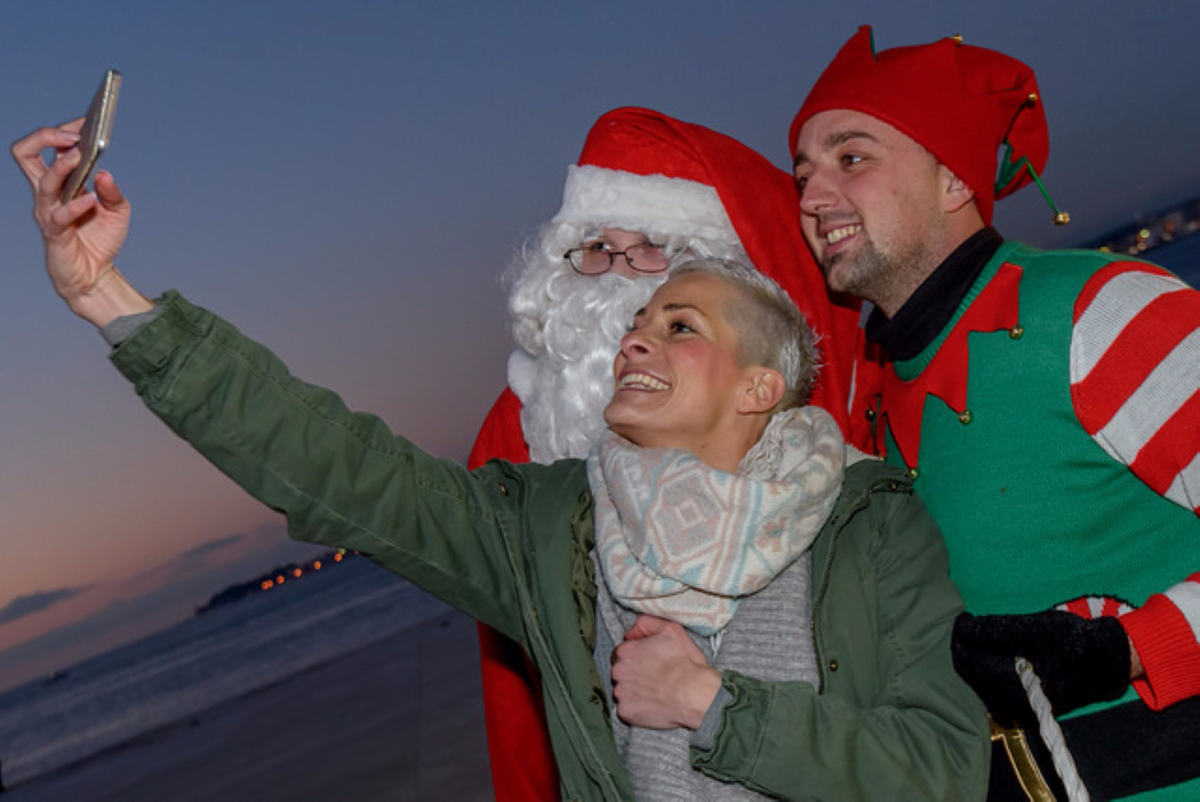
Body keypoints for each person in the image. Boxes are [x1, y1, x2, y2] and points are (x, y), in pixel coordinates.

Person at [14, 123, 987, 800]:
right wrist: (107, 298)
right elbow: (330, 461)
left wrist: (711, 708)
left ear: (759, 385)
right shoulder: (546, 531)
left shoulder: (871, 523)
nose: (632, 331)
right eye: (609, 277)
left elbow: (944, 771)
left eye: (677, 320)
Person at [788, 26, 1200, 800]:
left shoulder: (1099, 310)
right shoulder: (871, 399)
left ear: (952, 179)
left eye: (852, 158)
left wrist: (1127, 650)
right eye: (803, 174)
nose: (811, 197)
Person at [468, 106, 879, 800]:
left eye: (650, 247)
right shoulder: (516, 431)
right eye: (595, 247)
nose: (615, 274)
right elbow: (517, 679)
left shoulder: (802, 427)